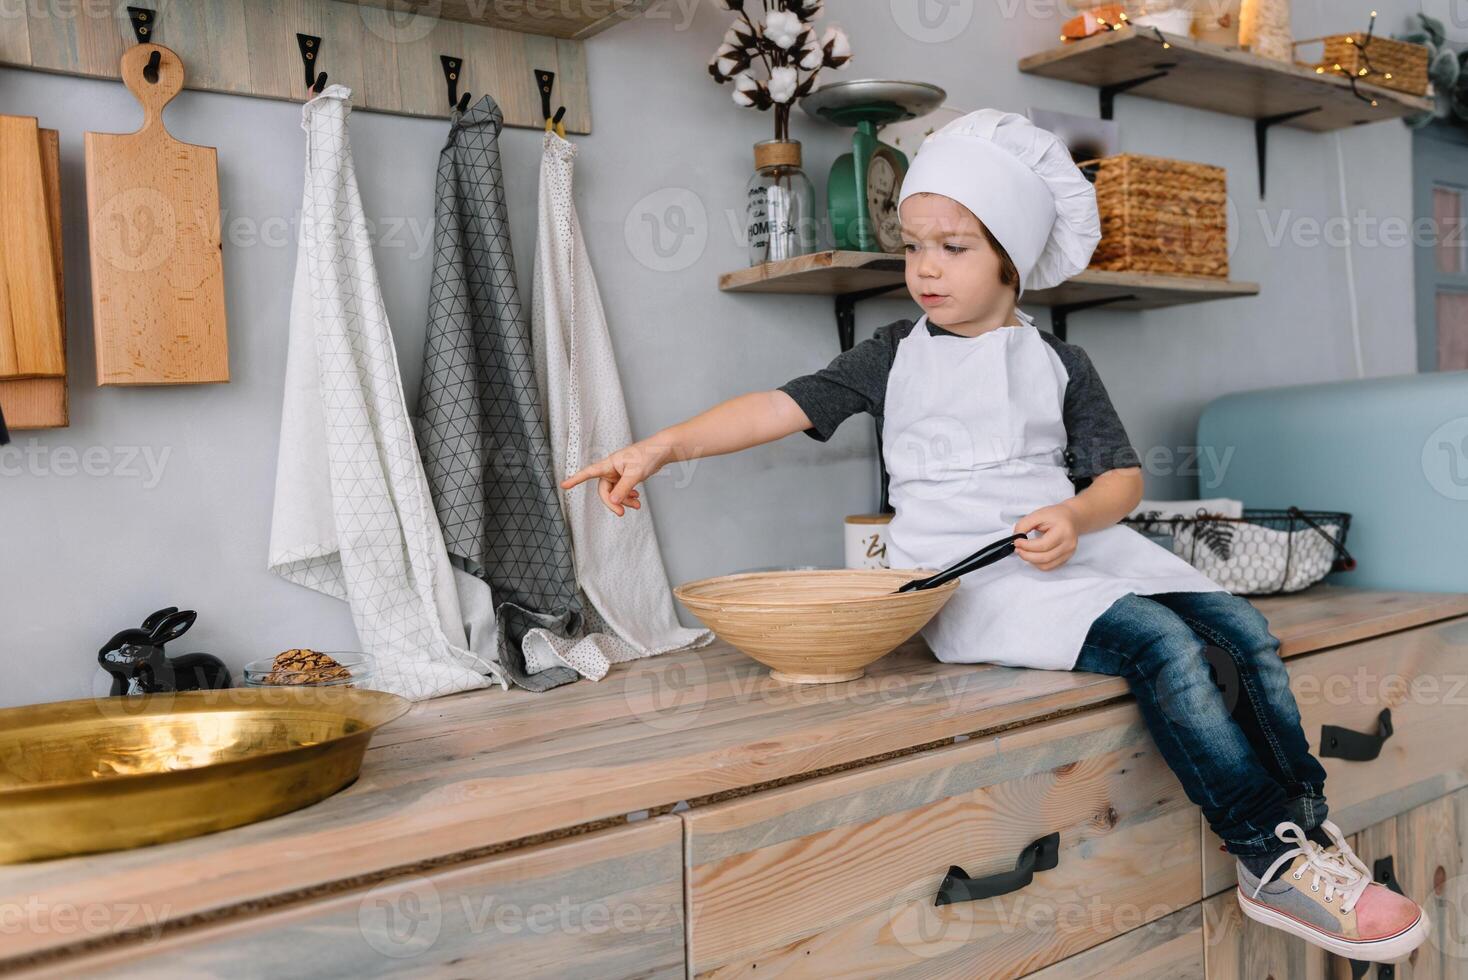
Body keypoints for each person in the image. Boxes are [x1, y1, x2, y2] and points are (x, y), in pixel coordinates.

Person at [562, 109, 1428, 961]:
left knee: (1242, 630)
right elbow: (775, 406)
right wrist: (664, 445)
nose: (925, 269)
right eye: (914, 245)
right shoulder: (892, 355)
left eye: (954, 246)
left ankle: (1307, 830)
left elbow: (1121, 482)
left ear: (1011, 260)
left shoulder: (1060, 362)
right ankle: (1266, 856)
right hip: (970, 577)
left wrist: (1075, 516)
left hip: (1073, 547)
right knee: (1166, 648)